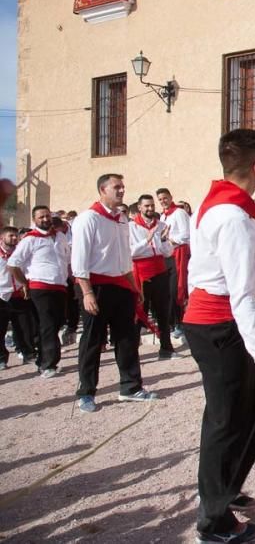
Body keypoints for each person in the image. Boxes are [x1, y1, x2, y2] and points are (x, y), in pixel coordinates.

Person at [183, 129, 255, 544]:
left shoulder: (219, 204)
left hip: (213, 320)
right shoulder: (234, 217)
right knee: (227, 419)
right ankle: (214, 521)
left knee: (249, 406)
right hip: (220, 323)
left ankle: (225, 487)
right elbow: (241, 295)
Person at [73, 174, 156, 413]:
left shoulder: (121, 219)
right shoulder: (88, 219)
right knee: (92, 341)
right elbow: (79, 260)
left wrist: (134, 287)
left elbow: (124, 257)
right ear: (102, 189)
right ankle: (86, 392)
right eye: (116, 187)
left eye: (122, 186)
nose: (121, 190)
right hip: (96, 287)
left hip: (121, 286)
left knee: (127, 339)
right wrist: (87, 293)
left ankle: (130, 387)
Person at [7, 205, 70, 377]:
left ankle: (45, 359)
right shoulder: (30, 239)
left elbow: (67, 259)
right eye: (41, 217)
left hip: (60, 286)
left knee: (56, 324)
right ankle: (47, 364)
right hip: (40, 287)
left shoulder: (60, 237)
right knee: (47, 325)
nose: (45, 219)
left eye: (47, 216)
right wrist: (25, 283)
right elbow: (13, 264)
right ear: (34, 219)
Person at [129, 194, 178, 360]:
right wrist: (146, 241)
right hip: (141, 273)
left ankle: (166, 349)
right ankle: (132, 353)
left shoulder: (162, 225)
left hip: (160, 270)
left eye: (152, 206)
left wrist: (164, 240)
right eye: (146, 206)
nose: (150, 209)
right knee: (139, 312)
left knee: (163, 311)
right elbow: (130, 252)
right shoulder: (132, 227)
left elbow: (168, 252)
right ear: (139, 207)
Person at [0, 226, 38, 368]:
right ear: (2, 238)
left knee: (24, 326)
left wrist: (26, 285)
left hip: (19, 293)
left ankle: (28, 353)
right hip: (2, 294)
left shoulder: (21, 252)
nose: (15, 238)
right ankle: (1, 359)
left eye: (16, 236)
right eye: (11, 236)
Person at [158, 187, 191, 337]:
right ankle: (174, 322)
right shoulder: (162, 217)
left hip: (180, 253)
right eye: (160, 199)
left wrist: (169, 238)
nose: (163, 201)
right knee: (169, 291)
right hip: (167, 255)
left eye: (165, 198)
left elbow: (186, 234)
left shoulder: (179, 213)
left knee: (178, 288)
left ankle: (182, 323)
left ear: (171, 197)